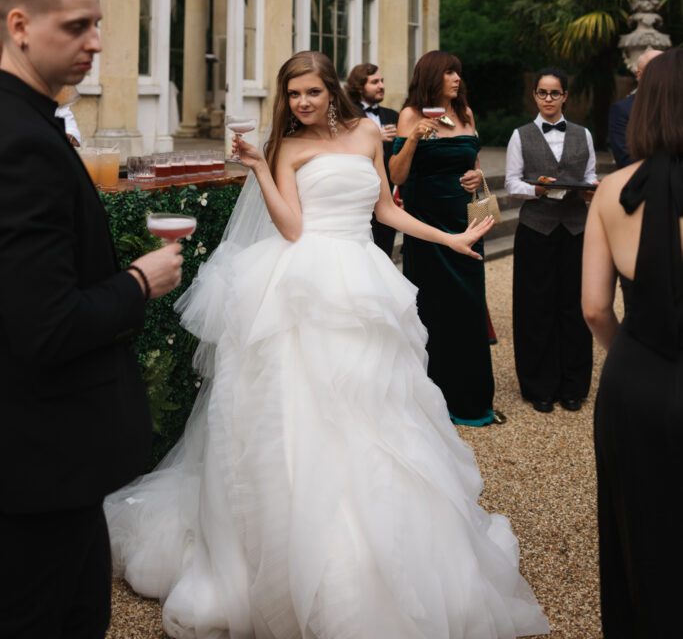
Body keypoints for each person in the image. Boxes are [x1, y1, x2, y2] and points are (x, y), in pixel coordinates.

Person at [105, 50, 549, 639]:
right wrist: (259, 168)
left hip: (364, 279)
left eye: (311, 92)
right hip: (303, 283)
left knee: (378, 409)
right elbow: (292, 227)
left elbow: (385, 207)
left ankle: (384, 544)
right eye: (292, 95)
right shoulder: (286, 147)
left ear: (331, 89)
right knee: (300, 415)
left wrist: (447, 237)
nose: (302, 103)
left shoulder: (367, 132)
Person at [0, 0, 183, 639]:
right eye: (76, 26)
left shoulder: (30, 122)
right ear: (20, 26)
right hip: (37, 465)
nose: (97, 43)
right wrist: (139, 281)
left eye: (98, 25)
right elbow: (45, 326)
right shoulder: (22, 143)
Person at [582, 47, 683, 639]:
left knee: (638, 529)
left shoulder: (612, 190)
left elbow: (595, 308)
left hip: (636, 380)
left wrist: (634, 351)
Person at [388, 50, 498, 426]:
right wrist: (414, 138)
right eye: (449, 72)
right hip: (428, 226)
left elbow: (474, 166)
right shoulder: (410, 115)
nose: (456, 79)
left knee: (469, 308)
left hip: (466, 224)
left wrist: (478, 177)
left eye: (458, 73)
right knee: (433, 309)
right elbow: (397, 176)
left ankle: (472, 401)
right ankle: (434, 401)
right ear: (431, 77)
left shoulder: (466, 115)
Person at [505, 67, 597, 414]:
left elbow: (589, 176)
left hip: (575, 230)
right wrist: (538, 190)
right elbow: (512, 183)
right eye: (542, 93)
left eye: (554, 93)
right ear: (535, 95)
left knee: (574, 307)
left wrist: (590, 191)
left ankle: (574, 385)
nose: (548, 99)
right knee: (535, 309)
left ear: (565, 96)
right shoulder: (520, 136)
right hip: (536, 230)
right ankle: (539, 386)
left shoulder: (583, 134)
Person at [345, 61, 399, 255]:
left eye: (382, 81)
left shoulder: (393, 116)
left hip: (387, 195)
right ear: (359, 87)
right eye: (375, 82)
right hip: (358, 196)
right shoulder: (346, 115)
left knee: (384, 252)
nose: (381, 86)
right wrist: (375, 137)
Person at [607, 47, 664, 168]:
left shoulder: (678, 106)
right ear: (640, 75)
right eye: (656, 69)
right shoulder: (623, 110)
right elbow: (625, 159)